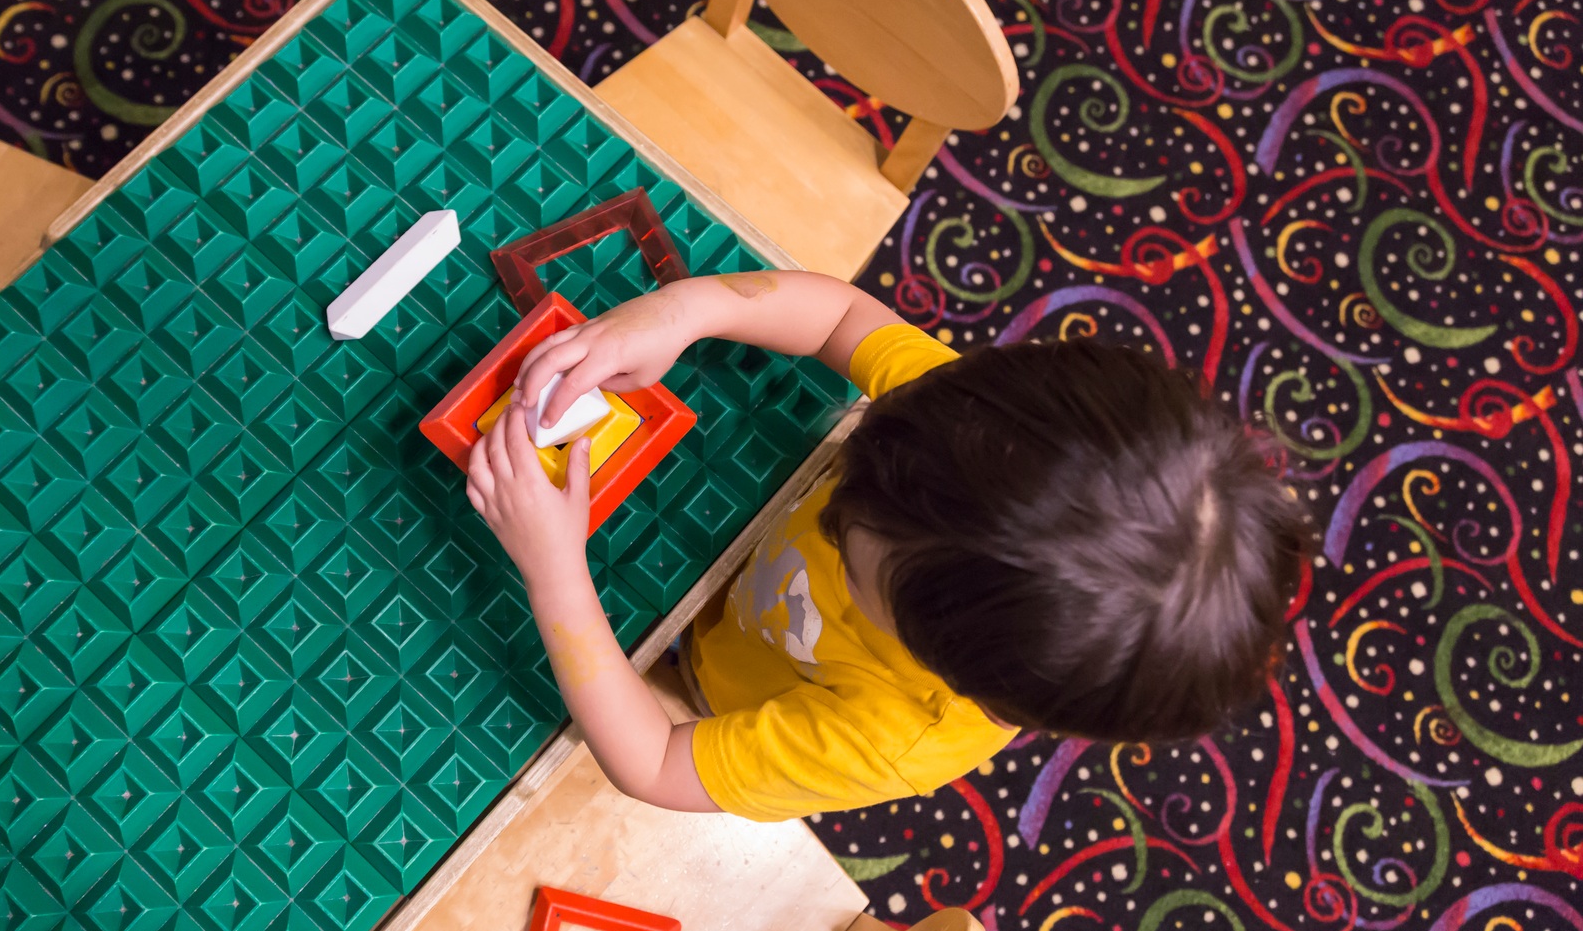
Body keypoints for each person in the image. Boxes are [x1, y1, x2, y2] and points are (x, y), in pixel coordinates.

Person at [464, 271, 1316, 820]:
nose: (838, 515)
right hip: (726, 555)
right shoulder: (975, 443)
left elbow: (651, 761)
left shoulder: (892, 737)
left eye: (857, 554)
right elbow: (839, 315)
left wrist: (554, 571)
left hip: (692, 686)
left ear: (944, 661)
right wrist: (685, 311)